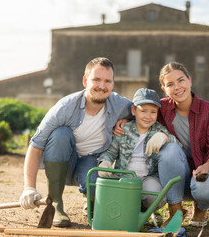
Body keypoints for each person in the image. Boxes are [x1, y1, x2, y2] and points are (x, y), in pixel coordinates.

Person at [19, 57, 132, 227]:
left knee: (96, 186)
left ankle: (93, 201)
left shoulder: (120, 105)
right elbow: (35, 146)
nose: (102, 85)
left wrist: (129, 121)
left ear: (113, 84)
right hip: (64, 162)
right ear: (86, 80)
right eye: (96, 80)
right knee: (60, 134)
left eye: (107, 81)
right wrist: (29, 187)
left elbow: (146, 112)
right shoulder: (65, 107)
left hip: (92, 161)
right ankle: (56, 203)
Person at [156, 62, 209, 227]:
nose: (177, 87)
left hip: (204, 172)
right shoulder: (161, 109)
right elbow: (139, 112)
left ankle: (200, 210)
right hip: (176, 175)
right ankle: (175, 212)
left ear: (189, 80)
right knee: (169, 150)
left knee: (206, 189)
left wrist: (206, 167)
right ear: (164, 89)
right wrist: (124, 119)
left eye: (181, 80)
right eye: (170, 84)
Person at [97, 88, 180, 210]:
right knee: (115, 200)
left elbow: (177, 145)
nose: (148, 116)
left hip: (148, 177)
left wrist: (165, 137)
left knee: (156, 196)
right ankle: (126, 209)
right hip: (124, 177)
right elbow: (110, 152)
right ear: (134, 110)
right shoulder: (124, 129)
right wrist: (104, 162)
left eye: (153, 112)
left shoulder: (158, 130)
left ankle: (143, 209)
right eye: (143, 111)